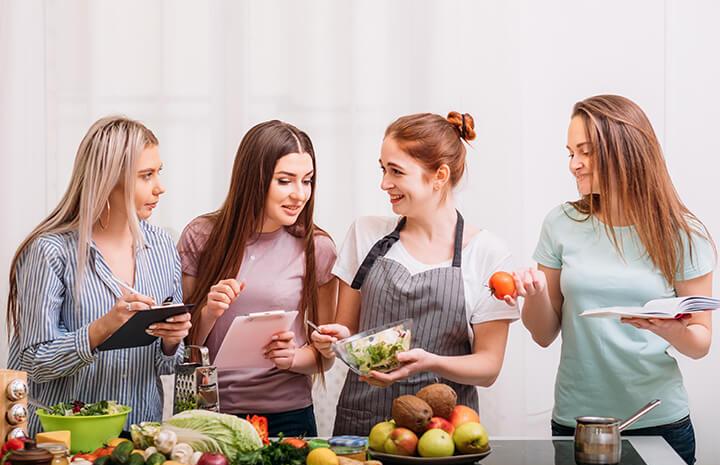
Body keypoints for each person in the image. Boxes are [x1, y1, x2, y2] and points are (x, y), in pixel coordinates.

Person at [507, 95, 715, 465]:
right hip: (578, 424)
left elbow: (700, 343)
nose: (574, 164)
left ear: (624, 151)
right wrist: (535, 296)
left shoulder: (683, 234)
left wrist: (666, 327)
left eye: (584, 152)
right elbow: (542, 334)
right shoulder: (560, 223)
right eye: (570, 152)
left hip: (658, 422)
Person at [312, 111, 519, 435]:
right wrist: (334, 341)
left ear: (439, 176)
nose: (384, 183)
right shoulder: (365, 234)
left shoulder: (488, 254)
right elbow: (347, 332)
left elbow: (488, 367)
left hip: (443, 434)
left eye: (396, 171)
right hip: (362, 426)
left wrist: (430, 361)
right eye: (383, 169)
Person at [6, 116, 191, 434]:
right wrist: (102, 329)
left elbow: (167, 368)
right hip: (63, 445)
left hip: (137, 441)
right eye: (146, 175)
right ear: (108, 180)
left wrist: (173, 343)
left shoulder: (162, 247)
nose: (160, 187)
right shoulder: (51, 252)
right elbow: (33, 361)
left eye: (158, 172)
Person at [178, 120, 337, 437]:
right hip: (212, 414)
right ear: (254, 179)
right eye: (285, 181)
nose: (299, 194)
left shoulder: (317, 248)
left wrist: (292, 358)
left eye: (307, 181)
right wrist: (209, 311)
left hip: (289, 417)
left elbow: (324, 355)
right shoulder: (201, 236)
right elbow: (183, 346)